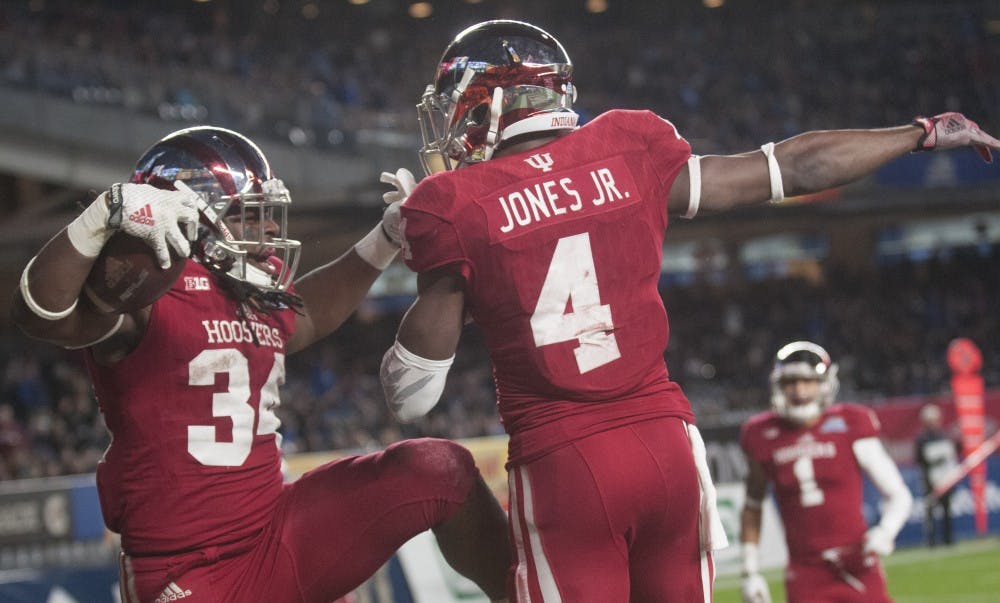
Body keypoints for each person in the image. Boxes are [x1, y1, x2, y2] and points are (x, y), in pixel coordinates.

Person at [377, 18, 998, 603]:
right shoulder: (629, 145)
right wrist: (920, 131)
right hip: (669, 449)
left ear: (491, 103)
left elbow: (411, 397)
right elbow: (790, 166)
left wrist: (431, 258)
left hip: (564, 461)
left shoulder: (452, 204)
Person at [11, 126, 511, 603]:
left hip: (277, 528)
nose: (270, 229)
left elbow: (308, 315)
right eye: (249, 215)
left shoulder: (251, 289)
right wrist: (104, 213)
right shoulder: (146, 289)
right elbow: (42, 314)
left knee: (440, 470)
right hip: (191, 570)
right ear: (190, 217)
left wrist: (383, 240)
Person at [738, 342, 913, 603]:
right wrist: (750, 571)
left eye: (807, 381)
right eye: (790, 382)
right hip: (805, 572)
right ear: (778, 385)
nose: (799, 390)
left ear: (825, 384)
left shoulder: (850, 423)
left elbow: (898, 494)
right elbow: (753, 506)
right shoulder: (761, 434)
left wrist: (886, 531)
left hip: (858, 563)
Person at [915, 403, 960, 547]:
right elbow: (919, 460)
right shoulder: (922, 440)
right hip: (930, 479)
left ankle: (948, 538)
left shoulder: (944, 436)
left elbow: (953, 454)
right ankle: (931, 540)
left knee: (947, 509)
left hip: (945, 478)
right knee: (930, 511)